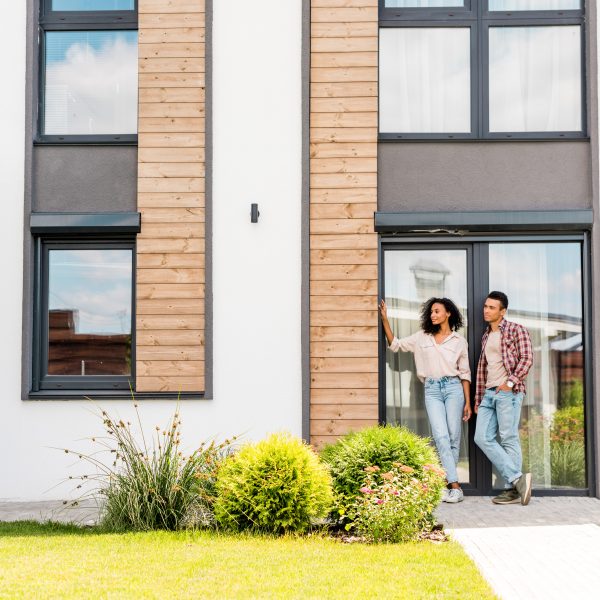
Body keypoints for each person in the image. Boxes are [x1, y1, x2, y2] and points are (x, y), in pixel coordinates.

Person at [379, 297, 472, 503]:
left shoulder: (459, 341)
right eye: (431, 312)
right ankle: (455, 486)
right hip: (432, 390)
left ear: (448, 313)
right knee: (441, 436)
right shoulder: (422, 337)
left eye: (437, 311)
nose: (433, 315)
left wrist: (468, 402)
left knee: (453, 437)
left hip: (453, 388)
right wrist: (385, 319)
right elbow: (395, 345)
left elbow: (465, 373)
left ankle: (447, 484)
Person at [474, 291, 534, 506]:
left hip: (508, 393)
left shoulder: (516, 330)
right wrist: (478, 399)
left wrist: (509, 384)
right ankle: (518, 479)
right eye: (485, 306)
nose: (486, 310)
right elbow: (484, 369)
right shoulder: (486, 336)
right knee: (481, 437)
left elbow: (527, 358)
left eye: (491, 307)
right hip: (489, 394)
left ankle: (511, 490)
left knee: (508, 437)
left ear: (502, 311)